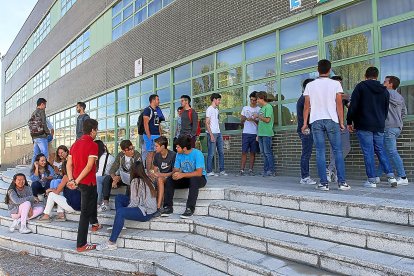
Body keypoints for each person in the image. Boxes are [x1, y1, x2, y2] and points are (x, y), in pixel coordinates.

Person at [302, 59, 350, 191]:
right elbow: (339, 104)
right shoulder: (335, 84)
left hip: (316, 121)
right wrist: (341, 122)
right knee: (337, 151)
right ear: (329, 70)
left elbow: (307, 106)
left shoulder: (310, 85)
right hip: (332, 120)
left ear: (318, 70)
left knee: (320, 152)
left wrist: (305, 123)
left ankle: (324, 183)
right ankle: (342, 183)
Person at [347, 67, 398, 188]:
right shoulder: (384, 90)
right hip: (379, 125)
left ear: (365, 75)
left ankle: (371, 180)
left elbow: (353, 106)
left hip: (364, 125)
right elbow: (385, 110)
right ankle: (391, 177)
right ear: (377, 76)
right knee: (380, 150)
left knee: (368, 152)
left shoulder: (360, 87)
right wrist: (381, 121)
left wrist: (349, 121)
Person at [96, 161, 157, 251]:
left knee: (120, 212)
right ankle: (119, 223)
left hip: (145, 212)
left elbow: (134, 203)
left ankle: (111, 242)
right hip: (146, 207)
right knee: (119, 197)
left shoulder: (136, 181)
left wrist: (124, 212)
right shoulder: (147, 178)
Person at [66, 118, 101, 252]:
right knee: (85, 212)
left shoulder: (75, 144)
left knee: (91, 202)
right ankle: (81, 244)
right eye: (96, 130)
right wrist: (76, 181)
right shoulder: (93, 145)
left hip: (78, 182)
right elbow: (89, 166)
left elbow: (69, 164)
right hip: (87, 182)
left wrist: (71, 179)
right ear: (92, 130)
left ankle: (95, 224)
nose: (96, 133)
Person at [162, 135, 207, 218]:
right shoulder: (179, 154)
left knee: (193, 180)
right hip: (185, 178)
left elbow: (199, 173)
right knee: (169, 180)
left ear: (185, 148)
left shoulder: (197, 154)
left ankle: (190, 208)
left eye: (178, 147)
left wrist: (182, 174)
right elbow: (176, 169)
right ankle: (167, 207)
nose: (176, 149)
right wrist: (175, 174)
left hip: (199, 178)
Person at [376, 76, 408, 185]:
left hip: (388, 127)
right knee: (385, 152)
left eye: (385, 81)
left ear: (390, 84)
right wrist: (398, 122)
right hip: (397, 128)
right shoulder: (400, 97)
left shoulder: (384, 94)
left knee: (392, 152)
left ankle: (403, 177)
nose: (383, 83)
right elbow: (404, 113)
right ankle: (377, 176)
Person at [98, 140, 142, 212]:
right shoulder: (120, 155)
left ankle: (130, 204)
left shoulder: (137, 155)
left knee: (131, 183)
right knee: (107, 178)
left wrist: (118, 178)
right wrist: (114, 178)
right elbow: (112, 170)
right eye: (129, 150)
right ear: (124, 151)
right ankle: (105, 203)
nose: (132, 151)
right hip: (122, 178)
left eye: (132, 148)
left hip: (134, 178)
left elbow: (137, 171)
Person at [326, 76, 351, 183]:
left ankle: (331, 170)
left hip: (342, 124)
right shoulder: (326, 94)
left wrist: (349, 98)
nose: (339, 85)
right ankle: (333, 172)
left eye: (340, 83)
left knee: (346, 147)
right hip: (331, 124)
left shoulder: (342, 95)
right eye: (337, 83)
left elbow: (350, 106)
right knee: (334, 149)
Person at [149, 136, 176, 217]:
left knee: (160, 179)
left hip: (170, 178)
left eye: (156, 146)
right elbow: (155, 169)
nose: (155, 148)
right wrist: (154, 174)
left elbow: (174, 172)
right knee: (154, 179)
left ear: (163, 146)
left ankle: (158, 207)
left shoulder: (173, 155)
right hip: (160, 178)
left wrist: (161, 175)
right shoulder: (157, 156)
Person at [297, 79, 317, 185]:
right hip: (306, 130)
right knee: (306, 154)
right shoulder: (305, 99)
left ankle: (305, 176)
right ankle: (304, 177)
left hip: (305, 129)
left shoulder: (304, 98)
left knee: (306, 154)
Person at [238, 92, 261, 176]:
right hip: (246, 133)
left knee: (252, 152)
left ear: (257, 100)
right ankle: (242, 170)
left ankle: (251, 170)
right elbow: (241, 121)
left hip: (254, 133)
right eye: (251, 100)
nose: (252, 101)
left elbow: (260, 123)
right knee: (244, 151)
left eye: (254, 100)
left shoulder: (259, 109)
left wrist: (253, 119)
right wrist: (243, 118)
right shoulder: (245, 108)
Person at [254, 91, 275, 177]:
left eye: (258, 99)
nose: (257, 101)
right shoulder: (262, 108)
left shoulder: (268, 107)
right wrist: (258, 135)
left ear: (262, 98)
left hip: (267, 133)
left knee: (267, 152)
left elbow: (267, 120)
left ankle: (271, 170)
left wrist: (258, 116)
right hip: (261, 134)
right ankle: (266, 170)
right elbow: (260, 123)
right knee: (263, 153)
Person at [206, 93, 227, 177]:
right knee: (211, 153)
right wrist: (211, 135)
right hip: (212, 133)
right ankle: (209, 171)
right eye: (218, 100)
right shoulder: (209, 109)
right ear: (214, 99)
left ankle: (222, 170)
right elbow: (207, 123)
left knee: (221, 152)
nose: (219, 101)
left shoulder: (216, 110)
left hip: (218, 133)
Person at [143, 94, 162, 170]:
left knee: (156, 154)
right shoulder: (147, 110)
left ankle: (154, 171)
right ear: (153, 100)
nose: (159, 101)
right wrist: (149, 136)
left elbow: (158, 124)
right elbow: (145, 123)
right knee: (150, 153)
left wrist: (160, 134)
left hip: (157, 135)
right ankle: (148, 171)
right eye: (157, 99)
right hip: (150, 135)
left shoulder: (157, 110)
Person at [29, 98, 50, 164]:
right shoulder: (41, 111)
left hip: (35, 137)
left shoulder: (33, 113)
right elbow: (44, 123)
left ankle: (32, 171)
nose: (45, 107)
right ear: (42, 104)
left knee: (35, 155)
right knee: (45, 154)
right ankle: (45, 171)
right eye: (45, 105)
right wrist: (48, 133)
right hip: (42, 136)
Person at [95, 140, 115, 206]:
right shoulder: (100, 157)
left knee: (98, 179)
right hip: (106, 176)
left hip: (109, 177)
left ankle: (98, 201)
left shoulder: (104, 157)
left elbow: (101, 173)